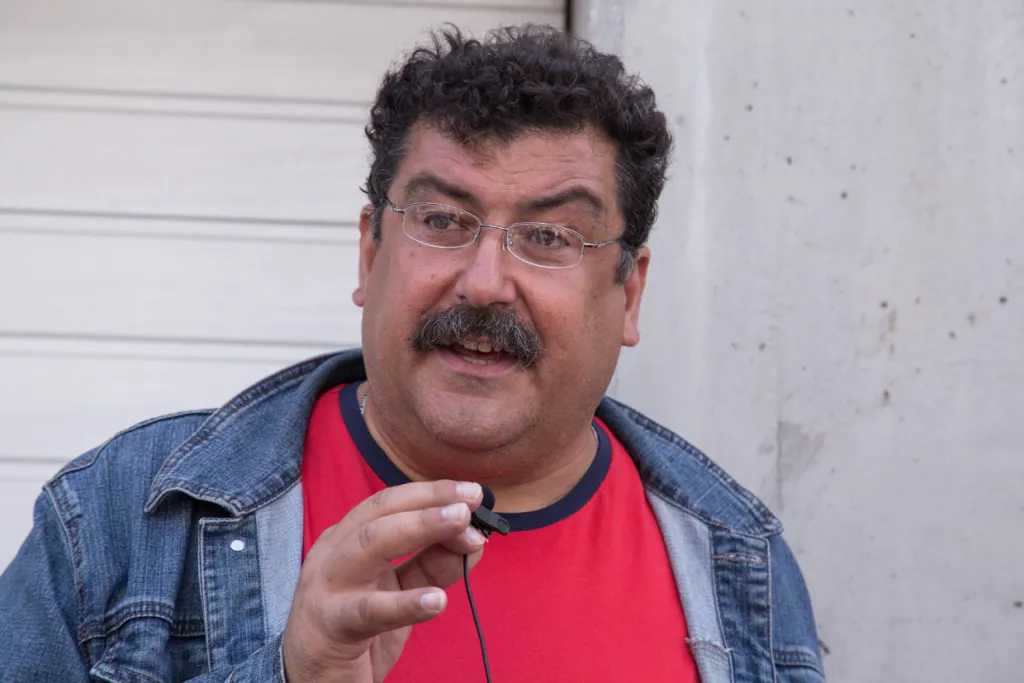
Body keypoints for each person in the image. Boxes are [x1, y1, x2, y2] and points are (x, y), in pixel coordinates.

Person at [0, 26, 825, 683]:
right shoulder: (118, 521)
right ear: (370, 254)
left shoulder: (738, 564)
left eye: (549, 236)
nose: (485, 282)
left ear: (629, 292)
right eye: (442, 220)